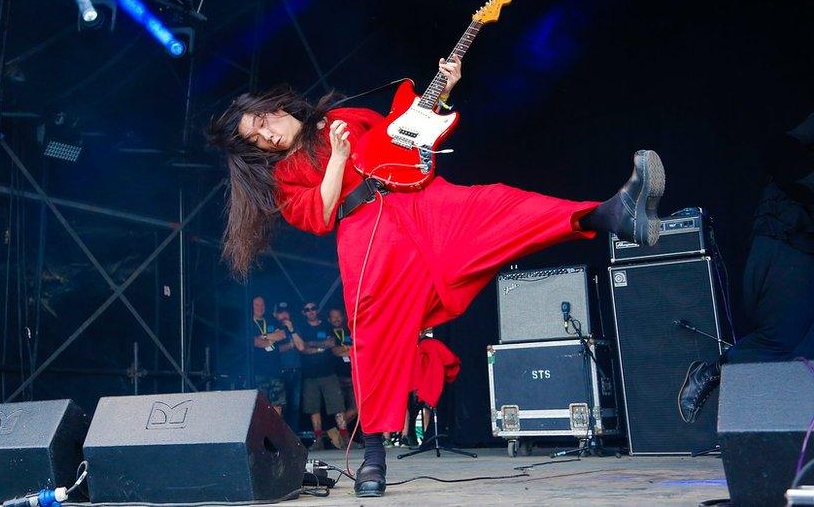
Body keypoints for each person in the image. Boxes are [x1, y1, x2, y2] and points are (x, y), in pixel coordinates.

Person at [208, 56, 665, 497]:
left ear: (275, 107)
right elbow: (321, 213)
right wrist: (337, 159)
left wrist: (442, 90)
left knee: (496, 206)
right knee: (375, 335)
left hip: (421, 202)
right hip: (368, 230)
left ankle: (609, 215)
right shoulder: (284, 173)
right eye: (257, 140)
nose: (268, 135)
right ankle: (373, 455)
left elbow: (406, 135)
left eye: (262, 122)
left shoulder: (343, 115)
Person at [679, 112, 814, 423]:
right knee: (783, 339)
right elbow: (781, 151)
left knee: (803, 349)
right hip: (789, 237)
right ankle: (711, 372)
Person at [295, 302, 351, 450]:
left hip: (329, 373)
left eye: (313, 308)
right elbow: (302, 348)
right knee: (314, 409)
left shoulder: (327, 326)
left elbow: (331, 343)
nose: (311, 311)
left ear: (317, 310)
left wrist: (312, 345)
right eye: (307, 309)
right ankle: (318, 440)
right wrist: (321, 346)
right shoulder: (301, 327)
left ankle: (346, 439)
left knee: (338, 407)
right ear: (303, 312)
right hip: (310, 375)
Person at [328, 307, 361, 447]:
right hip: (336, 376)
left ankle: (333, 430)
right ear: (329, 319)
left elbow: (358, 348)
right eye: (333, 317)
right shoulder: (328, 333)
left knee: (357, 407)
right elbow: (335, 351)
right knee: (339, 408)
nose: (336, 319)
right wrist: (348, 350)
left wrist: (347, 350)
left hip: (353, 376)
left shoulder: (350, 330)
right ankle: (345, 439)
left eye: (338, 316)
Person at [273, 301, 305, 432]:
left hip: (296, 371)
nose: (284, 315)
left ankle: (294, 437)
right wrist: (291, 345)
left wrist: (292, 329)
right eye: (281, 312)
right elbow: (274, 349)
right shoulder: (272, 328)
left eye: (286, 312)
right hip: (280, 373)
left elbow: (302, 347)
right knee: (281, 406)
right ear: (275, 314)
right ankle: (280, 436)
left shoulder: (295, 328)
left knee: (295, 406)